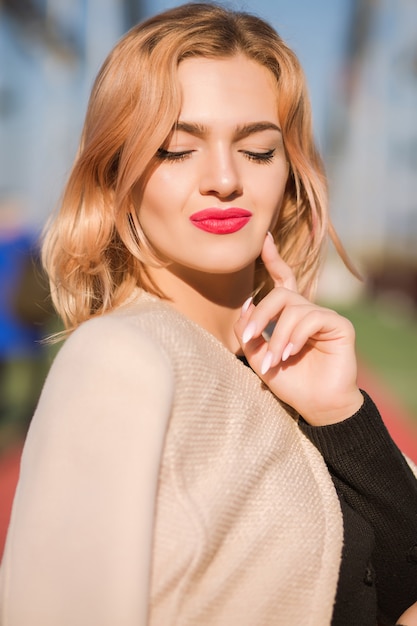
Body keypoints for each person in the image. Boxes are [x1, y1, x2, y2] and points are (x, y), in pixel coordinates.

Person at [0, 3, 416, 625]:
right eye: (174, 150)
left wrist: (342, 418)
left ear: (289, 174)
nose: (223, 179)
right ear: (116, 174)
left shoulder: (291, 372)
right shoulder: (123, 359)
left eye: (256, 151)